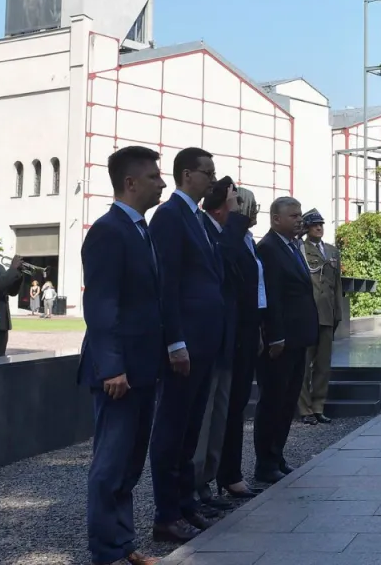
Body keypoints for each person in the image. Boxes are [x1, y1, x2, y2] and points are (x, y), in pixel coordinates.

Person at [80, 145, 168, 565]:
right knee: (111, 465)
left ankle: (122, 544)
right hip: (119, 372)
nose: (162, 183)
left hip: (143, 367)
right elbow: (101, 305)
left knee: (131, 463)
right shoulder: (109, 230)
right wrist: (112, 366)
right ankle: (106, 552)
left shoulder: (139, 230)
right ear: (130, 183)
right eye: (154, 177)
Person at [148, 147, 225, 542]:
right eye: (207, 172)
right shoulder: (170, 216)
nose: (213, 179)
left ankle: (185, 503)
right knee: (172, 428)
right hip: (186, 344)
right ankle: (166, 513)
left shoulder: (196, 218)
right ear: (186, 175)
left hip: (205, 341)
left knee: (191, 427)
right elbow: (169, 283)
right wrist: (175, 340)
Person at [252, 196, 318, 484]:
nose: (299, 220)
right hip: (281, 341)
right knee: (273, 402)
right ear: (276, 219)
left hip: (298, 337)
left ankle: (277, 455)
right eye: (293, 216)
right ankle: (265, 462)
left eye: (300, 215)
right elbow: (272, 296)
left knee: (288, 400)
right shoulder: (268, 248)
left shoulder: (292, 247)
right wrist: (275, 335)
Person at [191, 177, 242, 509]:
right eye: (235, 200)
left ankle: (207, 482)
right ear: (223, 205)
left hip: (225, 339)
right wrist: (236, 219)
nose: (241, 206)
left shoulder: (221, 232)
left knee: (219, 415)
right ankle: (194, 487)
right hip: (206, 340)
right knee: (204, 417)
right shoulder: (205, 230)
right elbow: (225, 259)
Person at [216, 186, 266, 499]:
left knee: (237, 405)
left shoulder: (249, 240)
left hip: (249, 329)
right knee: (230, 406)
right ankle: (226, 474)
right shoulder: (231, 238)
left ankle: (231, 472)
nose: (256, 210)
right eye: (252, 205)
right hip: (235, 332)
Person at [297, 208, 344, 425]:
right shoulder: (300, 249)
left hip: (327, 313)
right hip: (308, 314)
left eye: (321, 224)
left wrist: (338, 313)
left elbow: (337, 286)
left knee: (323, 364)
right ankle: (305, 409)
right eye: (314, 224)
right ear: (306, 227)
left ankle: (318, 406)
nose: (319, 227)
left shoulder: (332, 252)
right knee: (305, 365)